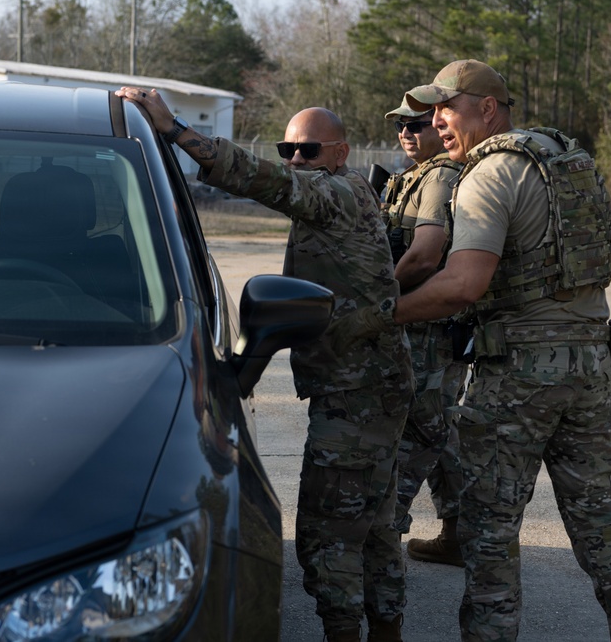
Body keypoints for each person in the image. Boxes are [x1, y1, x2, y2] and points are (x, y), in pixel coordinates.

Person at [334, 59, 611, 641]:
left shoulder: (488, 174)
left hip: (519, 373)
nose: (437, 122)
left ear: (486, 109)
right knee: (597, 515)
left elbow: (462, 285)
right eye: (432, 111)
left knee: (488, 528)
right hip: (591, 366)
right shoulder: (565, 157)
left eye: (446, 109)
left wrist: (376, 317)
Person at [116, 86, 414, 642]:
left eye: (309, 151)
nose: (296, 160)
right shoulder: (335, 193)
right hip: (368, 383)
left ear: (341, 153)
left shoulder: (340, 193)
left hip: (359, 389)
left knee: (329, 531)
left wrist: (178, 130)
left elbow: (265, 180)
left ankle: (347, 632)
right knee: (373, 523)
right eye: (288, 150)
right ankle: (387, 629)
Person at [381, 95, 470, 567]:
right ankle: (462, 532)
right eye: (401, 126)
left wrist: (378, 303)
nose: (407, 133)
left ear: (440, 126)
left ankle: (382, 533)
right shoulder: (414, 175)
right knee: (441, 427)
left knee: (418, 429)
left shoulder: (440, 176)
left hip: (430, 327)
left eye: (417, 125)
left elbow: (423, 255)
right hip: (426, 323)